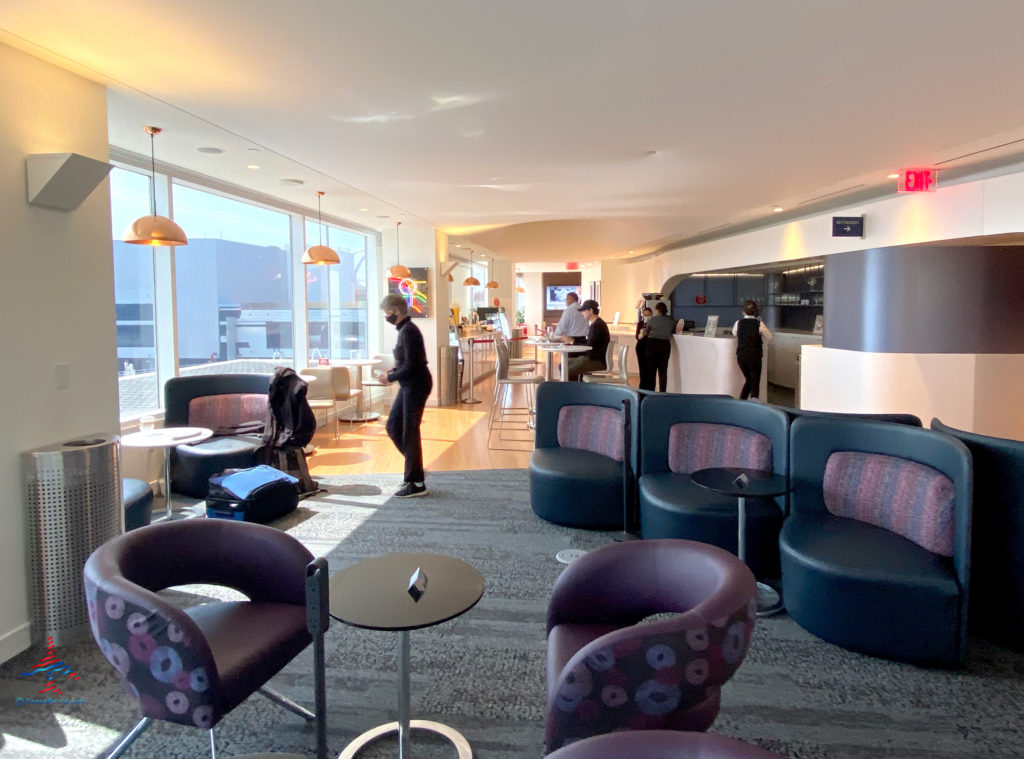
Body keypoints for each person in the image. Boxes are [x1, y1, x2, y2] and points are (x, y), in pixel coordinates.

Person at [376, 293, 433, 497]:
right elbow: (406, 363)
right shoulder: (405, 330)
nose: (386, 316)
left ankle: (416, 482)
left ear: (396, 311)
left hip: (416, 385)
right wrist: (391, 372)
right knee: (393, 426)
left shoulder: (409, 331)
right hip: (409, 384)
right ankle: (414, 468)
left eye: (387, 312)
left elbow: (413, 365)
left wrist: (391, 378)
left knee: (409, 431)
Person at [732, 299, 773, 401]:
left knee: (749, 379)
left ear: (743, 311)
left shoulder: (738, 323)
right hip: (755, 356)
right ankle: (752, 401)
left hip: (741, 356)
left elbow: (734, 333)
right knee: (755, 380)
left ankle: (742, 400)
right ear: (756, 312)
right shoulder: (759, 324)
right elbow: (769, 337)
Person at [565, 299, 610, 381]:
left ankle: (572, 391)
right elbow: (589, 343)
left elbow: (589, 347)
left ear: (590, 310)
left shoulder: (597, 326)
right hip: (595, 358)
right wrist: (573, 342)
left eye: (583, 310)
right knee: (565, 363)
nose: (582, 313)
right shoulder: (597, 324)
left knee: (566, 368)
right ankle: (577, 388)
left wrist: (572, 342)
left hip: (597, 361)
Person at [641, 302, 675, 392]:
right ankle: (662, 392)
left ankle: (651, 392)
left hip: (651, 345)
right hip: (665, 345)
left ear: (656, 310)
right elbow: (673, 330)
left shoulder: (652, 320)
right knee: (663, 371)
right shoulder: (670, 320)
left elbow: (646, 332)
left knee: (651, 371)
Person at [635, 302, 653, 389]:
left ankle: (649, 386)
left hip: (650, 348)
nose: (646, 316)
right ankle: (642, 386)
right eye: (645, 315)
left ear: (651, 315)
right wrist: (642, 334)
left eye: (648, 315)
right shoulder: (640, 324)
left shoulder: (654, 323)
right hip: (641, 347)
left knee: (650, 368)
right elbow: (637, 336)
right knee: (642, 367)